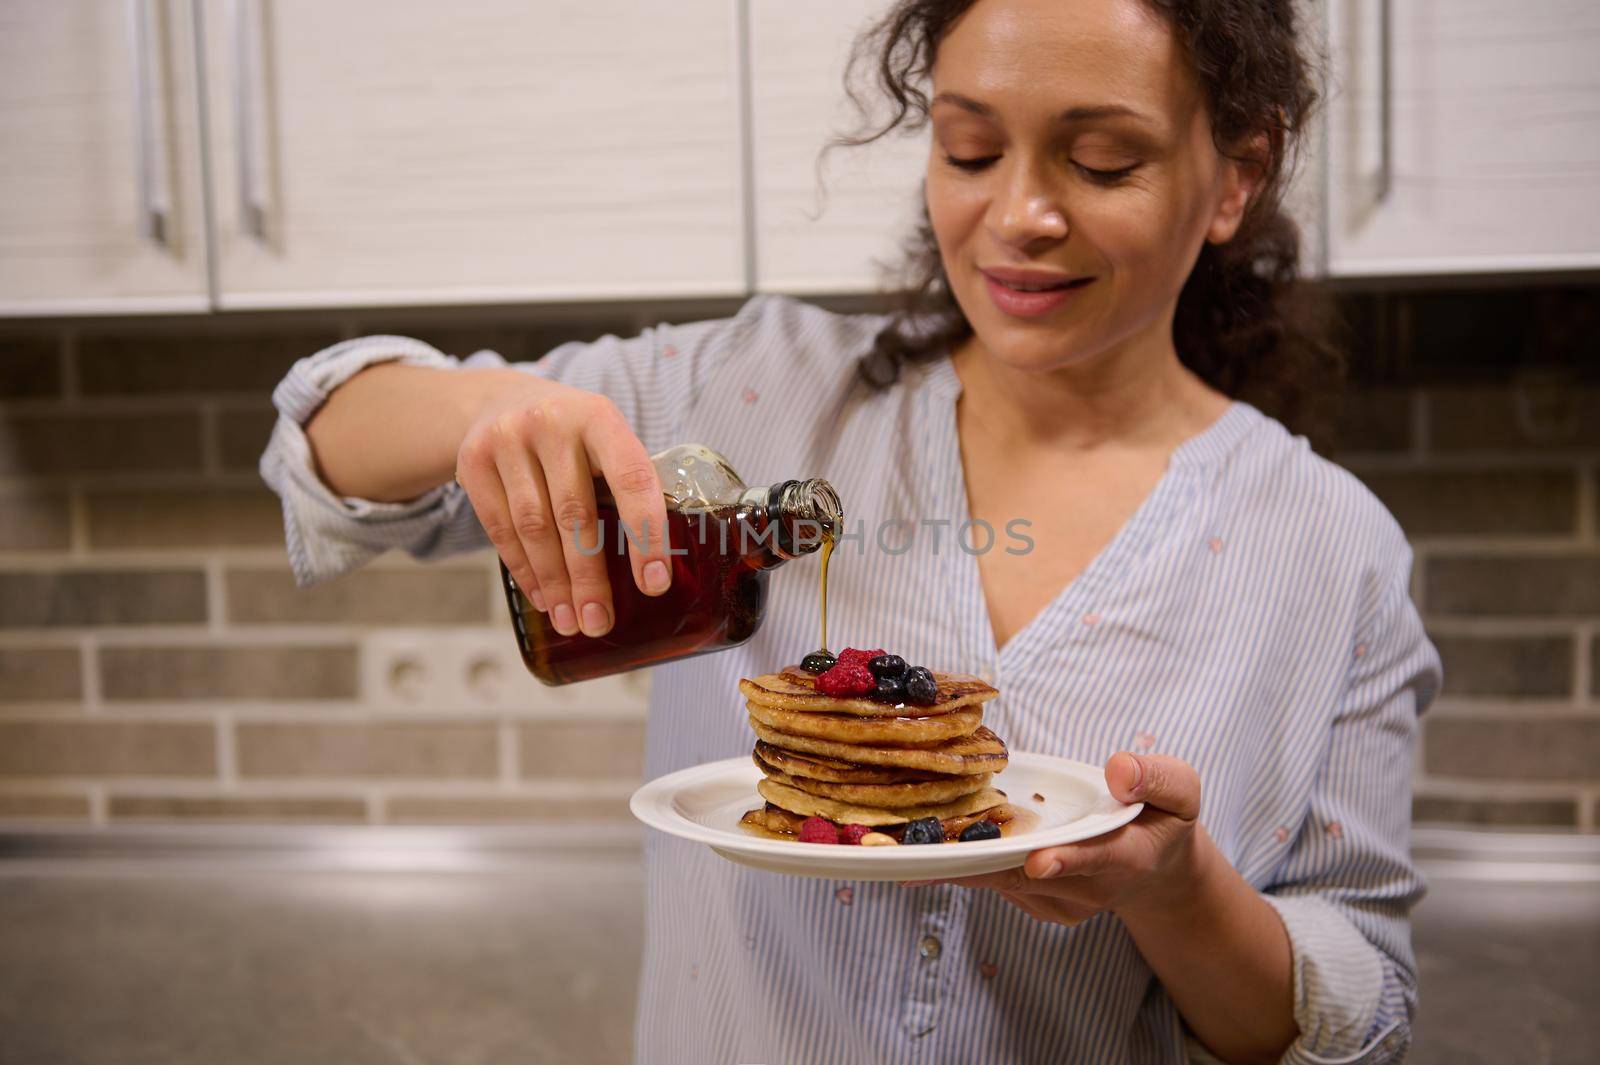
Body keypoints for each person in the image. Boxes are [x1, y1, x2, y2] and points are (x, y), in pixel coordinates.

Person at [260, 0, 1441, 1061]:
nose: (1017, 216)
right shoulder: (744, 392)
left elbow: (1354, 1006)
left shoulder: (1331, 553)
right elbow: (325, 447)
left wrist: (1176, 892)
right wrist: (493, 412)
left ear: (1237, 173)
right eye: (967, 148)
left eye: (1100, 160)